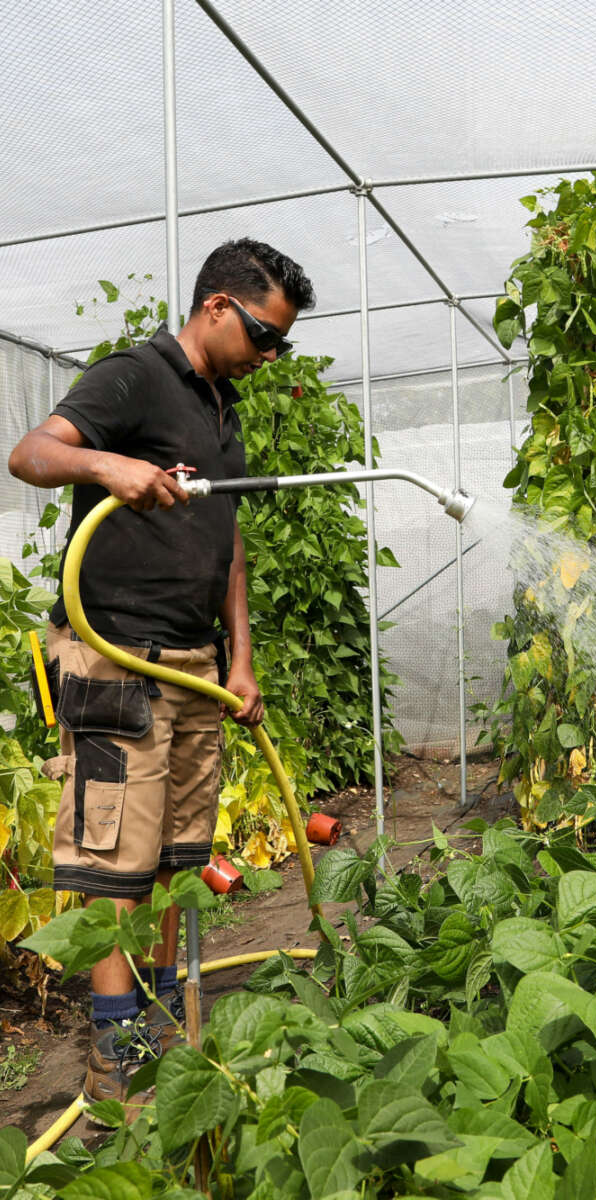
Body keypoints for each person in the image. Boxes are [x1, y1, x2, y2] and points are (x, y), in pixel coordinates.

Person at [8, 238, 315, 1105]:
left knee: (179, 859)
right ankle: (120, 1049)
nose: (269, 355)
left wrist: (241, 659)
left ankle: (153, 1012)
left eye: (279, 343)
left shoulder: (222, 409)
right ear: (217, 306)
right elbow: (31, 453)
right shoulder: (134, 378)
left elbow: (231, 545)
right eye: (262, 334)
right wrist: (112, 465)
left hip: (195, 670)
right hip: (119, 663)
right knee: (113, 864)